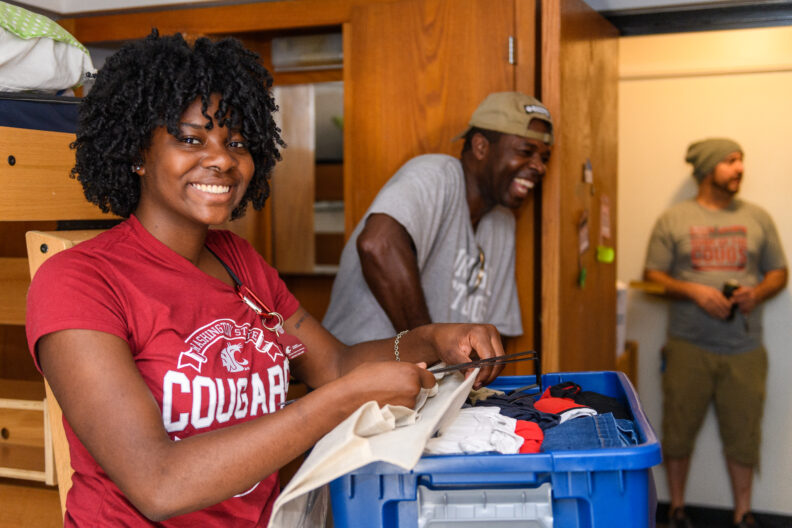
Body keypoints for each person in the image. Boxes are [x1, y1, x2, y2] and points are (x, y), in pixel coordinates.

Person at [24, 31, 506, 527]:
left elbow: (335, 365)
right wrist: (338, 403)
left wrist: (433, 338)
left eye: (237, 142)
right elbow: (158, 483)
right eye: (191, 139)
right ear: (137, 153)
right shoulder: (78, 283)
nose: (223, 159)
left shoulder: (239, 261)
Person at [322, 92, 553, 344]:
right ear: (481, 147)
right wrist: (430, 346)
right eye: (525, 151)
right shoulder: (435, 174)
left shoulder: (502, 221)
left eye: (544, 158)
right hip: (357, 375)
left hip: (430, 382)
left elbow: (496, 332)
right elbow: (378, 244)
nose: (539, 167)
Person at [643, 138, 787, 528]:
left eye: (742, 160)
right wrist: (695, 292)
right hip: (688, 346)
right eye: (730, 161)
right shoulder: (674, 219)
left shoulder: (757, 217)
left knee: (744, 434)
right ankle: (676, 510)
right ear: (708, 169)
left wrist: (756, 292)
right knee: (678, 430)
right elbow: (651, 275)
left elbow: (779, 271)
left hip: (744, 348)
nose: (740, 168)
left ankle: (743, 514)